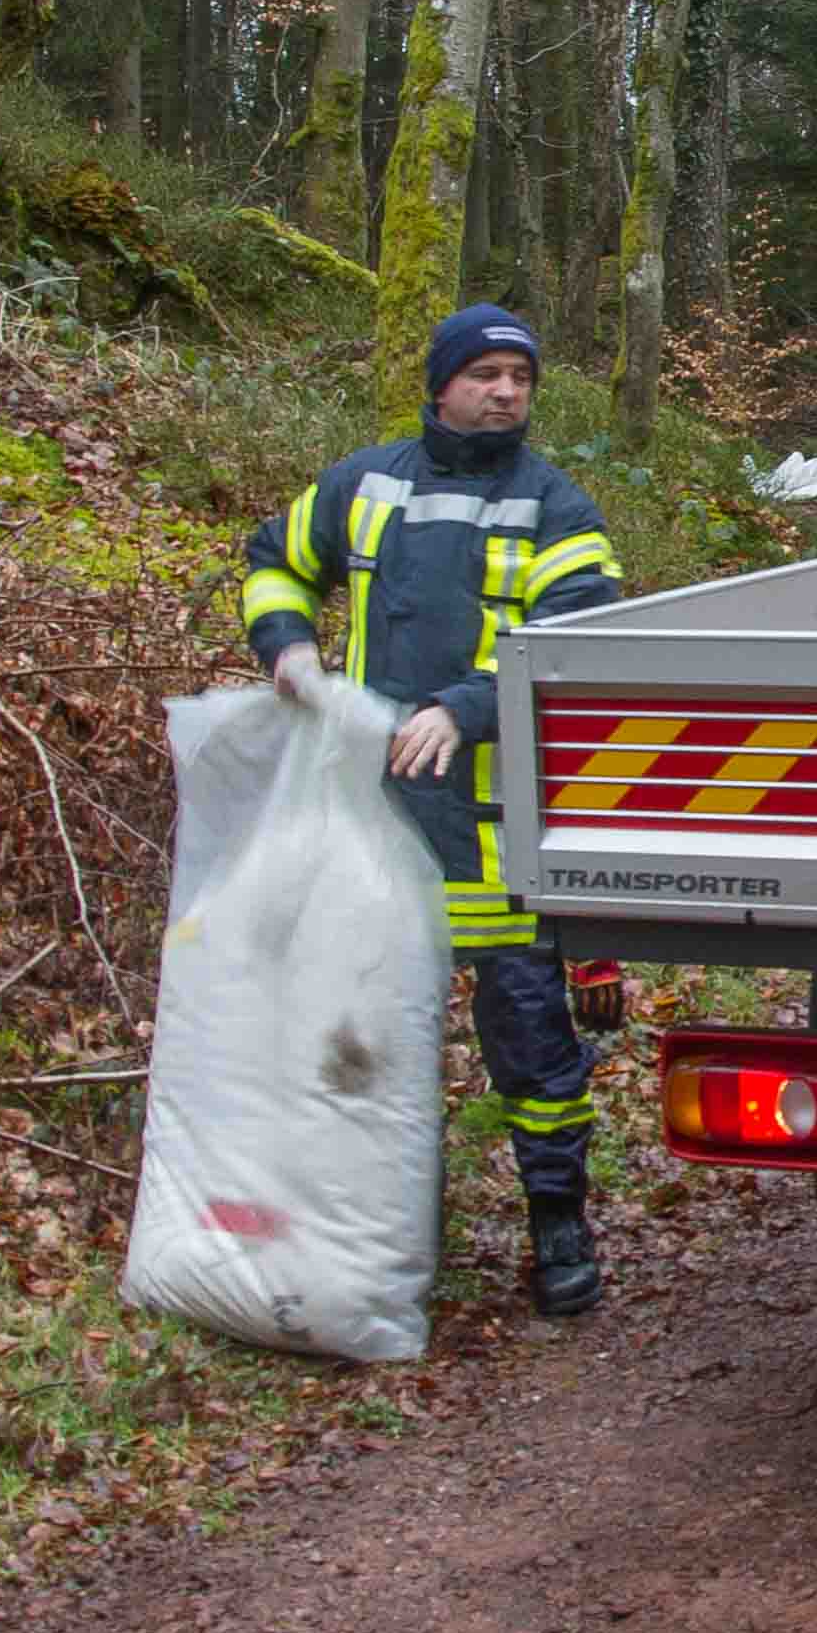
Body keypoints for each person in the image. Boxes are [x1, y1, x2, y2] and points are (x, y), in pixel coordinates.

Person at [241, 304, 634, 1316]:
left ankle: (559, 1229)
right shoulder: (365, 484)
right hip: (373, 822)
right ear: (442, 384)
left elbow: (575, 639)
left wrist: (463, 708)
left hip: (503, 832)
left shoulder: (558, 507)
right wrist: (288, 645)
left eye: (521, 378)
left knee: (535, 1048)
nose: (506, 392)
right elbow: (273, 559)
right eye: (487, 374)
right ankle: (376, 1233)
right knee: (363, 1038)